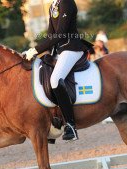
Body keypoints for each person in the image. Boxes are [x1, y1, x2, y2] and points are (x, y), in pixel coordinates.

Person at [24, 0, 93, 141]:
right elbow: (51, 35)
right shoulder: (54, 5)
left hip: (72, 48)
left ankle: (70, 125)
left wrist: (36, 50)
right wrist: (44, 52)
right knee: (42, 70)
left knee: (55, 80)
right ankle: (53, 121)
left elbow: (61, 34)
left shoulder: (67, 2)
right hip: (60, 50)